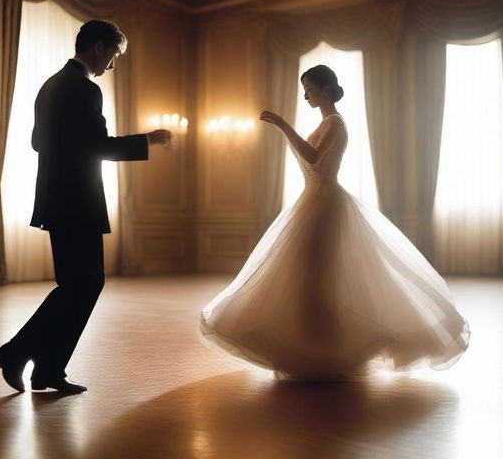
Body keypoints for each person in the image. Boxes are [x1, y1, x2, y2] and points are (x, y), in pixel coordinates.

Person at [199, 64, 469, 380]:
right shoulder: (326, 123)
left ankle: (326, 347)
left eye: (310, 89)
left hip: (325, 203)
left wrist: (284, 125)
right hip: (312, 198)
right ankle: (308, 345)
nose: (305, 95)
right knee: (307, 277)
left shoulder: (336, 123)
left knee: (319, 274)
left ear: (326, 90)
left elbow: (313, 158)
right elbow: (309, 160)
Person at [0, 20, 172, 394]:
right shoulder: (85, 89)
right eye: (114, 56)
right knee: (85, 283)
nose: (112, 65)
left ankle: (47, 370)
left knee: (76, 284)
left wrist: (69, 152)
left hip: (55, 201)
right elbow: (98, 146)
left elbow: (38, 143)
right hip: (77, 200)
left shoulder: (49, 86)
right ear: (99, 48)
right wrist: (147, 140)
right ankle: (19, 354)